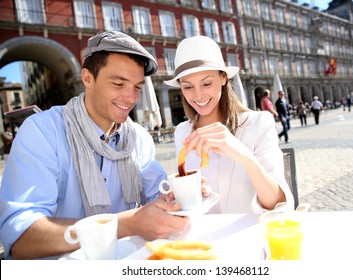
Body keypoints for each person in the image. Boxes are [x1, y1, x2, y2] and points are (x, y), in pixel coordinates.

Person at [0, 31, 189, 260]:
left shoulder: (139, 137)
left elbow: (157, 195)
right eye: (119, 83)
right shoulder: (42, 132)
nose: (131, 98)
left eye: (138, 87)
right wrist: (125, 225)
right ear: (88, 79)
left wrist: (183, 194)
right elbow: (21, 238)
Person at [163, 35, 294, 214]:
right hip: (201, 238)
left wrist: (243, 156)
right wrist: (180, 196)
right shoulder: (182, 132)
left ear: (223, 78)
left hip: (247, 237)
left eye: (207, 83)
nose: (198, 95)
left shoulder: (258, 123)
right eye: (188, 87)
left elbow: (278, 204)